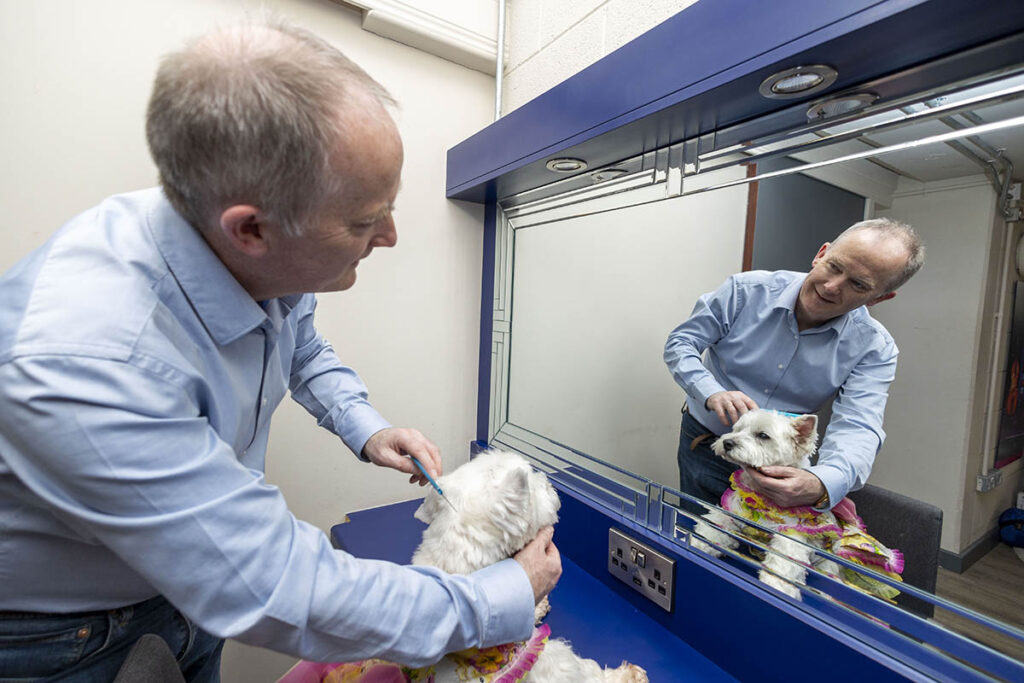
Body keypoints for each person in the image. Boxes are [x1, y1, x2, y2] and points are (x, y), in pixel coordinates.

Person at [0, 20, 560, 682]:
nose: (390, 235)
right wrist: (503, 594)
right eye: (362, 220)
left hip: (184, 594)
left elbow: (301, 347)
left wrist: (367, 427)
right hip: (69, 639)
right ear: (252, 229)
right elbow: (277, 584)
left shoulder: (236, 251)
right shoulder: (86, 360)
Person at [664, 219, 924, 514]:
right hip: (708, 442)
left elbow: (859, 424)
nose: (831, 287)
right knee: (701, 542)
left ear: (880, 298)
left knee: (766, 555)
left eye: (858, 284)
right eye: (834, 267)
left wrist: (822, 483)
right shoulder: (744, 291)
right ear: (821, 254)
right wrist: (711, 392)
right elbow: (681, 343)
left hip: (780, 468)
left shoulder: (875, 348)